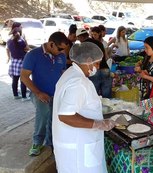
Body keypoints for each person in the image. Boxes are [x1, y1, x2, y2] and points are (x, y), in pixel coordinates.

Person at [52, 42, 115, 173]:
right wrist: (98, 124)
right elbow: (65, 115)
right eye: (97, 63)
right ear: (88, 61)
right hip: (78, 149)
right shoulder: (79, 82)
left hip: (72, 144)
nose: (97, 67)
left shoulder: (70, 73)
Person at [20, 32, 69, 156]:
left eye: (63, 49)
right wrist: (38, 93)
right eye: (60, 48)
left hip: (56, 94)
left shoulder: (61, 57)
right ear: (51, 44)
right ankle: (37, 142)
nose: (62, 51)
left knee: (55, 118)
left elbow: (62, 74)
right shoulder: (33, 55)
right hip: (39, 93)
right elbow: (24, 77)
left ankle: (51, 143)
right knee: (43, 111)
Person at [76, 28, 112, 97]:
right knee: (107, 96)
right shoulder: (98, 42)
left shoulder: (83, 45)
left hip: (94, 70)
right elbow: (105, 56)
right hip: (105, 69)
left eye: (78, 38)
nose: (79, 40)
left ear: (81, 37)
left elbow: (82, 60)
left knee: (94, 94)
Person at [6, 26, 30, 101]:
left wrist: (8, 58)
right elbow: (27, 48)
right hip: (22, 61)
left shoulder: (9, 40)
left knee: (15, 79)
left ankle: (15, 95)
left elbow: (8, 49)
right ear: (19, 33)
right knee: (23, 78)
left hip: (14, 62)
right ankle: (24, 97)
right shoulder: (21, 41)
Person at [90, 26, 113, 98]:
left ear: (99, 34)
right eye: (92, 34)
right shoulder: (101, 43)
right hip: (102, 68)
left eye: (95, 34)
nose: (94, 36)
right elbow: (106, 56)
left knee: (95, 91)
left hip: (100, 69)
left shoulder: (94, 43)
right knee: (103, 91)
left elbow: (106, 56)